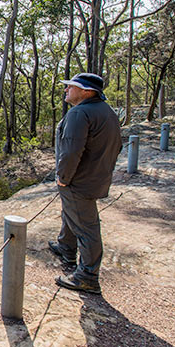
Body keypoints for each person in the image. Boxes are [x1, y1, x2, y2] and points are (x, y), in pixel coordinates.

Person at [49, 72, 122, 294]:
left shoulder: (79, 114)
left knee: (87, 226)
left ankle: (88, 275)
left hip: (79, 180)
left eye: (71, 86)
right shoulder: (106, 112)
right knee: (72, 214)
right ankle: (66, 247)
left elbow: (71, 151)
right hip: (95, 177)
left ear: (86, 91)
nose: (66, 90)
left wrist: (63, 177)